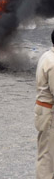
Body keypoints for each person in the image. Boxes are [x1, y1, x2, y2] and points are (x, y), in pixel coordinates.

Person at [35, 30, 54, 179]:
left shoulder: (47, 55)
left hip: (44, 111)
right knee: (47, 157)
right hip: (50, 114)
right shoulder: (53, 63)